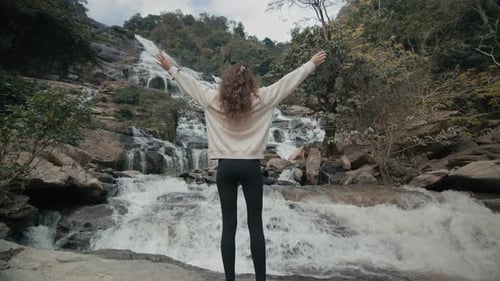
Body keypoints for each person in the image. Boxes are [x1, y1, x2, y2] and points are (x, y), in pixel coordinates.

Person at [156, 51, 326, 281]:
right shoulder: (263, 98)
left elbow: (191, 84)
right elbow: (287, 82)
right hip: (251, 168)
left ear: (227, 82)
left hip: (225, 168)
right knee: (255, 226)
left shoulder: (212, 99)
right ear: (251, 82)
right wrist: (310, 64)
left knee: (229, 227)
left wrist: (171, 68)